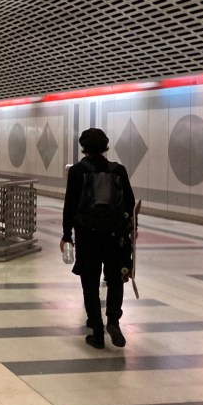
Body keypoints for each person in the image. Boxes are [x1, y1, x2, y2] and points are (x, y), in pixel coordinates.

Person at [61, 128, 135, 349]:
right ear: (105, 147)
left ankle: (96, 329)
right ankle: (113, 320)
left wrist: (67, 235)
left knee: (90, 282)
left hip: (87, 236)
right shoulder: (118, 170)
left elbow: (70, 206)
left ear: (83, 147)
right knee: (115, 280)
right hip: (115, 236)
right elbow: (130, 204)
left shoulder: (77, 171)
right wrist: (131, 229)